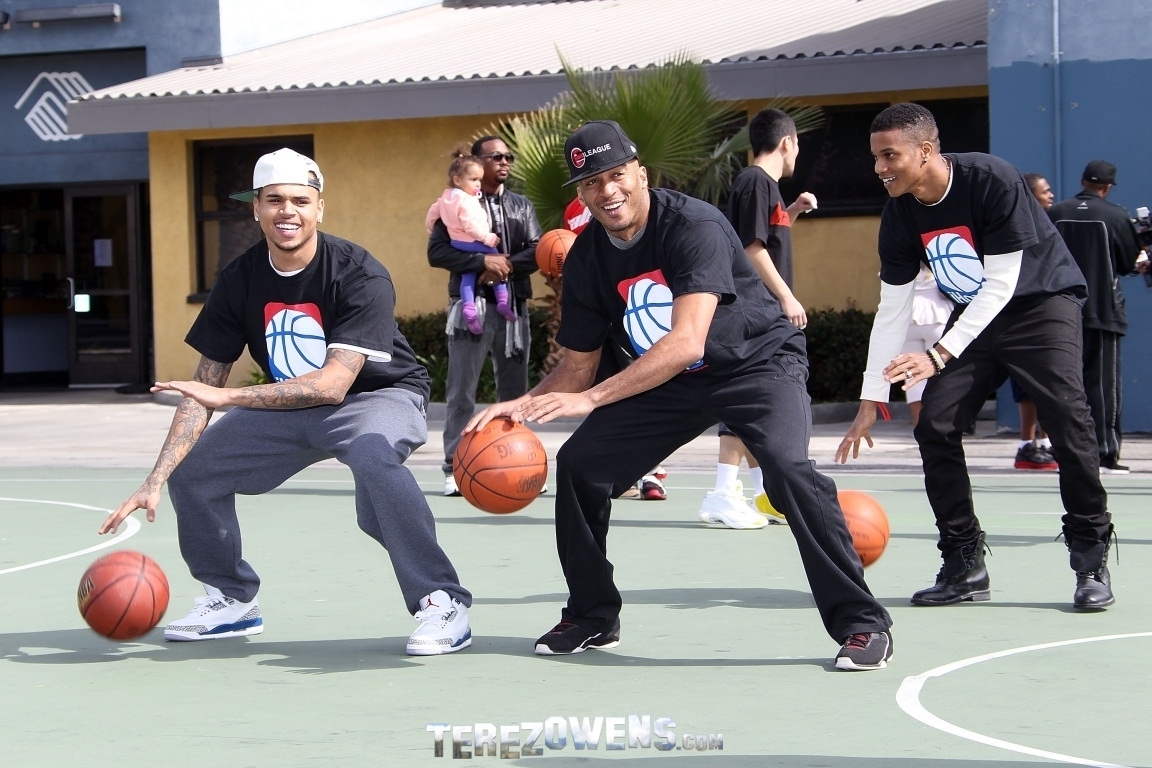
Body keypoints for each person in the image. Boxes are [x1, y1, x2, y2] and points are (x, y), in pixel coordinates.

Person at [468, 120, 894, 670]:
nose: (608, 190)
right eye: (593, 182)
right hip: (672, 381)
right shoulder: (589, 257)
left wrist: (593, 400)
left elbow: (687, 340)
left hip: (755, 365)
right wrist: (523, 405)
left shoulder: (694, 224)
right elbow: (578, 365)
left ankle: (862, 622)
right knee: (580, 465)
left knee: (788, 472)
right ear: (582, 194)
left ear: (640, 174)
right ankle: (592, 615)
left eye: (617, 175)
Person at [98, 148, 473, 653]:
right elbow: (202, 387)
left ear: (320, 207)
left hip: (376, 395)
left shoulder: (359, 273)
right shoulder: (239, 278)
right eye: (274, 200)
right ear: (255, 207)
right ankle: (230, 599)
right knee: (194, 472)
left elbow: (333, 384)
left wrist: (229, 396)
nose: (287, 211)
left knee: (373, 455)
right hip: (291, 406)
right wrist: (156, 477)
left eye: (300, 200)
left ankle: (441, 600)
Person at [837, 103, 1116, 611]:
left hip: (1040, 305)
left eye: (889, 156)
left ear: (925, 151)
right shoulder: (899, 212)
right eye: (876, 157)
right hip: (974, 316)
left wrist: (937, 355)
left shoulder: (991, 179)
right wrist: (871, 397)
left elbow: (1002, 284)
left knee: (1068, 420)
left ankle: (1089, 558)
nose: (879, 168)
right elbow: (893, 308)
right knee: (935, 425)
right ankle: (964, 563)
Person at [701, 107, 817, 529]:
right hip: (753, 311)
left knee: (759, 398)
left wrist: (794, 210)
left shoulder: (767, 188)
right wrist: (786, 296)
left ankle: (765, 492)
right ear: (787, 142)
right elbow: (752, 248)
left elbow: (768, 237)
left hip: (762, 310)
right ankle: (722, 492)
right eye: (797, 144)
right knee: (744, 397)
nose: (797, 152)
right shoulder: (754, 181)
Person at [428, 135, 543, 497]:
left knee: (515, 393)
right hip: (471, 309)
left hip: (514, 309)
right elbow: (437, 252)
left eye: (508, 157)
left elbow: (538, 249)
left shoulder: (522, 206)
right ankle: (454, 467)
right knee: (461, 391)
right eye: (496, 156)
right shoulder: (454, 203)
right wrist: (481, 261)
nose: (504, 162)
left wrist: (504, 266)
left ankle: (520, 465)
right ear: (476, 162)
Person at [565, 195, 668, 502]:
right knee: (606, 395)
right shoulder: (572, 213)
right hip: (599, 316)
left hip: (632, 308)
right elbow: (575, 254)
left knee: (643, 392)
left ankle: (651, 472)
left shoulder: (624, 203)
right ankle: (618, 470)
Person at [1047, 160, 1144, 474]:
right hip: (1103, 310)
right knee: (1103, 386)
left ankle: (1066, 452)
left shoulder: (1056, 212)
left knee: (1063, 384)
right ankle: (1104, 453)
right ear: (1107, 187)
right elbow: (1128, 262)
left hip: (1059, 311)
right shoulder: (1116, 215)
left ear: (1083, 181)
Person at [425, 148, 515, 335]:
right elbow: (470, 225)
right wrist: (488, 238)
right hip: (473, 241)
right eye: (474, 180)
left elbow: (433, 212)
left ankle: (468, 308)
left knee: (467, 275)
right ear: (458, 180)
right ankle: (502, 300)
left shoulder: (445, 197)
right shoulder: (466, 200)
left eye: (479, 180)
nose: (478, 184)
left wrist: (430, 227)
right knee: (497, 261)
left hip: (457, 243)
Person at [1009, 173, 1058, 470]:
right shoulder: (1015, 226)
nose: (1050, 195)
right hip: (1020, 311)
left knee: (1048, 380)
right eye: (1045, 191)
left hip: (1043, 310)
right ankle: (1027, 444)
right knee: (1027, 382)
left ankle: (1047, 443)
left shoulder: (1051, 225)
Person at [901, 264, 952, 427]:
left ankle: (919, 426)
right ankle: (941, 424)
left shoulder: (901, 261)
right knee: (942, 373)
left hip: (908, 317)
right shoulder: (939, 261)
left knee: (911, 375)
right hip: (939, 314)